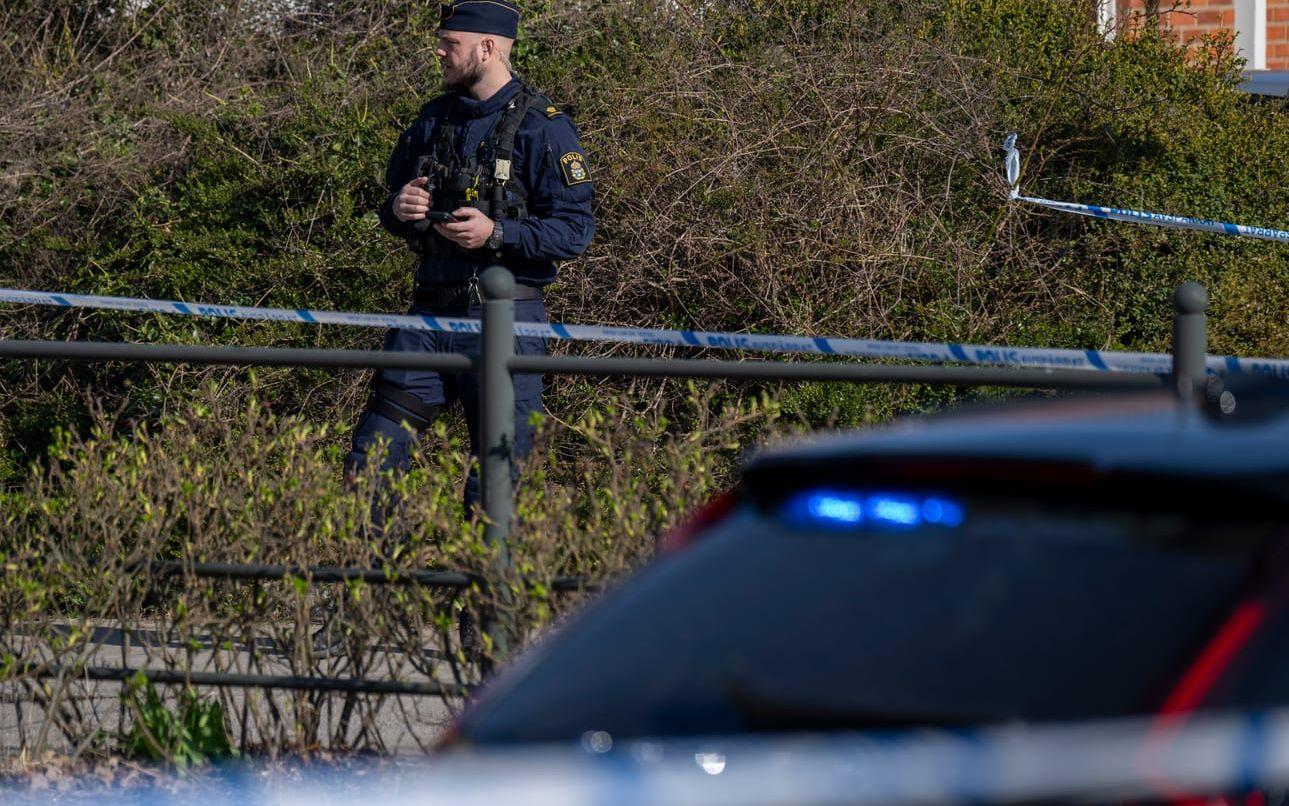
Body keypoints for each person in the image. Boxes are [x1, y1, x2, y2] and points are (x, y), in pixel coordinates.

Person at [344, 0, 595, 510]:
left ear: (487, 47)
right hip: (430, 315)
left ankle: (487, 589)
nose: (438, 52)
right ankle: (379, 584)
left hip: (505, 320)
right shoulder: (432, 120)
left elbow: (575, 231)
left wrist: (496, 233)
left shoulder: (544, 128)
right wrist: (400, 207)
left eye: (449, 44)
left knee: (499, 482)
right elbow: (392, 208)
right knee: (372, 458)